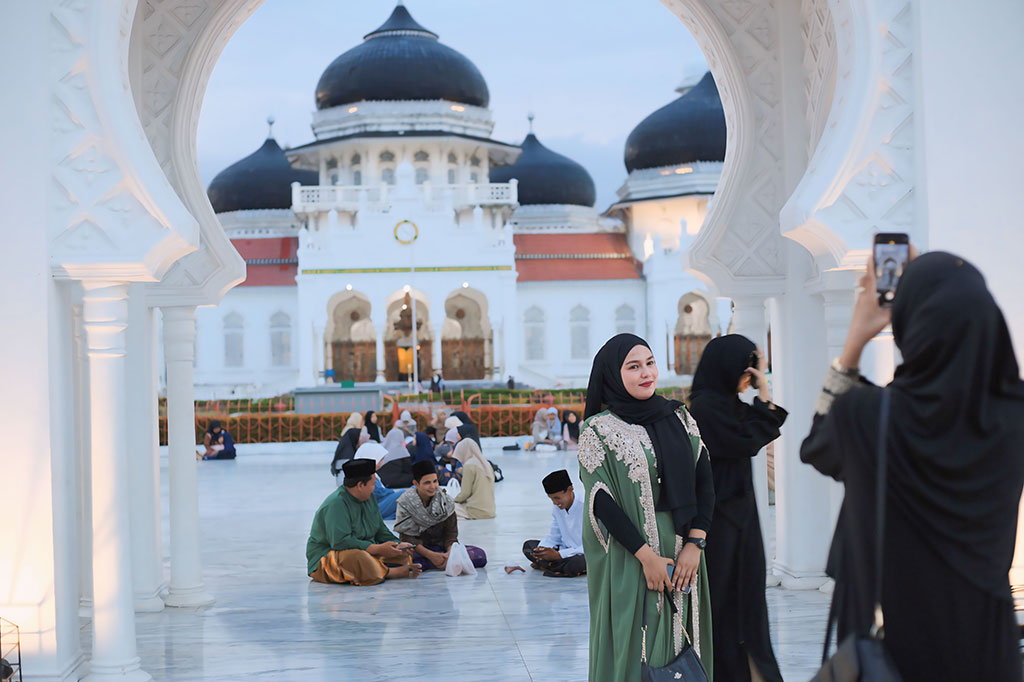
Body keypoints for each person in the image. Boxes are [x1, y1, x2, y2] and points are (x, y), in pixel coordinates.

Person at [800, 251, 1024, 681]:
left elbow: (817, 447)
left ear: (910, 326)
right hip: (988, 646)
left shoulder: (866, 417)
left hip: (893, 650)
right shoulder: (1013, 416)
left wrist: (854, 342)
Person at [579, 333, 714, 682]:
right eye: (634, 366)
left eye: (650, 363)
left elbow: (705, 483)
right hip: (633, 560)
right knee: (640, 654)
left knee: (686, 659)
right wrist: (647, 557)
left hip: (685, 560)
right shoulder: (599, 429)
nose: (646, 373)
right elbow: (601, 501)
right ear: (613, 374)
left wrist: (695, 545)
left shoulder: (679, 417)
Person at [688, 334, 787, 682]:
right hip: (717, 520)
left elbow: (760, 427)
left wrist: (763, 388)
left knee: (749, 599)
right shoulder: (705, 408)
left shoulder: (728, 404)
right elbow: (749, 440)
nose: (749, 376)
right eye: (746, 369)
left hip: (742, 516)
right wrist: (763, 394)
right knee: (724, 604)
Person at [306, 458, 422, 585]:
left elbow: (380, 530)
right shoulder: (336, 504)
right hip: (328, 557)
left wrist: (397, 544)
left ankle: (375, 570)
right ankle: (389, 572)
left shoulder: (369, 498)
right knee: (358, 557)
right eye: (373, 484)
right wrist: (376, 548)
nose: (374, 488)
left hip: (365, 550)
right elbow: (340, 542)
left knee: (402, 555)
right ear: (360, 485)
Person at [395, 460, 487, 571]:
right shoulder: (406, 503)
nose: (433, 486)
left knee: (480, 555)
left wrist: (449, 554)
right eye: (427, 483)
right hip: (419, 551)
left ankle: (440, 562)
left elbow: (451, 535)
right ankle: (443, 562)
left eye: (435, 481)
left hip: (443, 548)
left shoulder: (445, 501)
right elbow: (407, 538)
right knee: (401, 559)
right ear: (416, 484)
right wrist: (431, 555)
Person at [522, 469, 586, 577]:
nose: (555, 503)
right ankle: (557, 567)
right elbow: (554, 536)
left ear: (570, 489)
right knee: (528, 546)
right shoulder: (558, 507)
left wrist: (559, 555)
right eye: (551, 499)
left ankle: (550, 565)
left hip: (581, 553)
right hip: (563, 550)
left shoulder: (586, 506)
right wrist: (542, 549)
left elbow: (591, 546)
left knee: (578, 563)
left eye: (557, 498)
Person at [352, 442, 405, 520]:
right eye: (379, 460)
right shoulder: (363, 475)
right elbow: (378, 494)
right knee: (405, 493)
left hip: (376, 506)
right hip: (371, 510)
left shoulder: (368, 473)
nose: (380, 464)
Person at [451, 435, 495, 520]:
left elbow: (465, 493)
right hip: (490, 511)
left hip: (475, 511)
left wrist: (453, 501)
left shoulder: (469, 466)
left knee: (446, 508)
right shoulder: (486, 464)